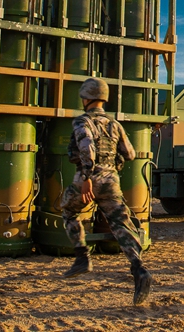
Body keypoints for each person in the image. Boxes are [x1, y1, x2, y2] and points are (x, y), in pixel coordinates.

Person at [59, 78, 152, 306]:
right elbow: (130, 153)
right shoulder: (114, 124)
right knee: (121, 224)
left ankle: (82, 258)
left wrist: (87, 179)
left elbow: (86, 147)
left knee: (68, 210)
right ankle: (139, 270)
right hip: (112, 181)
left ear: (86, 98)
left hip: (88, 179)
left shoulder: (82, 122)